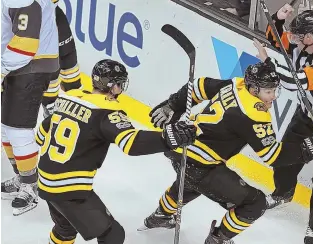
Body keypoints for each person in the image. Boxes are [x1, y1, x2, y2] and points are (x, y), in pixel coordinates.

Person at [139, 62, 313, 244]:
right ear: (254, 89)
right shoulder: (253, 113)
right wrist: (310, 148)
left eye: (275, 90)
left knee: (190, 182)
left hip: (180, 149)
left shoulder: (236, 84)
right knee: (254, 204)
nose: (274, 96)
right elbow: (273, 157)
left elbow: (199, 86)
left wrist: (174, 104)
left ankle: (160, 216)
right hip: (201, 164)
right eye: (269, 91)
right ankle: (218, 239)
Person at [35, 59, 196, 244]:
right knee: (113, 235)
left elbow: (41, 134)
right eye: (120, 84)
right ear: (113, 86)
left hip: (45, 179)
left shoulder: (69, 96)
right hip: (70, 188)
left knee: (65, 229)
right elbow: (132, 143)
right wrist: (170, 137)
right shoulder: (107, 111)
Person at [254, 4, 313, 244]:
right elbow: (276, 39)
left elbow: (297, 82)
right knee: (284, 159)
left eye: (299, 36)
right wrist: (278, 19)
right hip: (306, 117)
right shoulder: (303, 46)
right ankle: (283, 193)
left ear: (311, 37)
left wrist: (269, 63)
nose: (294, 40)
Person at [1, 0, 59, 216]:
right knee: (6, 128)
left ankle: (30, 185)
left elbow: (25, 44)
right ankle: (23, 176)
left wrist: (2, 68)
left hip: (30, 67)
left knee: (17, 130)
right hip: (19, 68)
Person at [42, 2, 82, 118]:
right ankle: (49, 113)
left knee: (71, 75)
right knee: (51, 75)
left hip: (55, 17)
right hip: (34, 20)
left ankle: (80, 107)